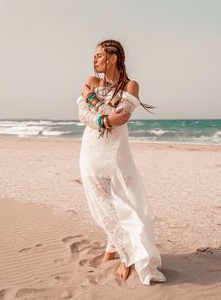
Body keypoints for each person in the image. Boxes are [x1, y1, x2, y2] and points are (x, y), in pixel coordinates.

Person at [76, 39, 166, 285]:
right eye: (94, 55)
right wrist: (103, 118)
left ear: (113, 57)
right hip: (91, 152)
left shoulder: (131, 86)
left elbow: (120, 117)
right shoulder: (91, 82)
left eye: (99, 55)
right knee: (104, 205)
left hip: (116, 153)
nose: (94, 60)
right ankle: (119, 251)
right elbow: (84, 115)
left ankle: (123, 254)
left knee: (124, 203)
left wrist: (94, 102)